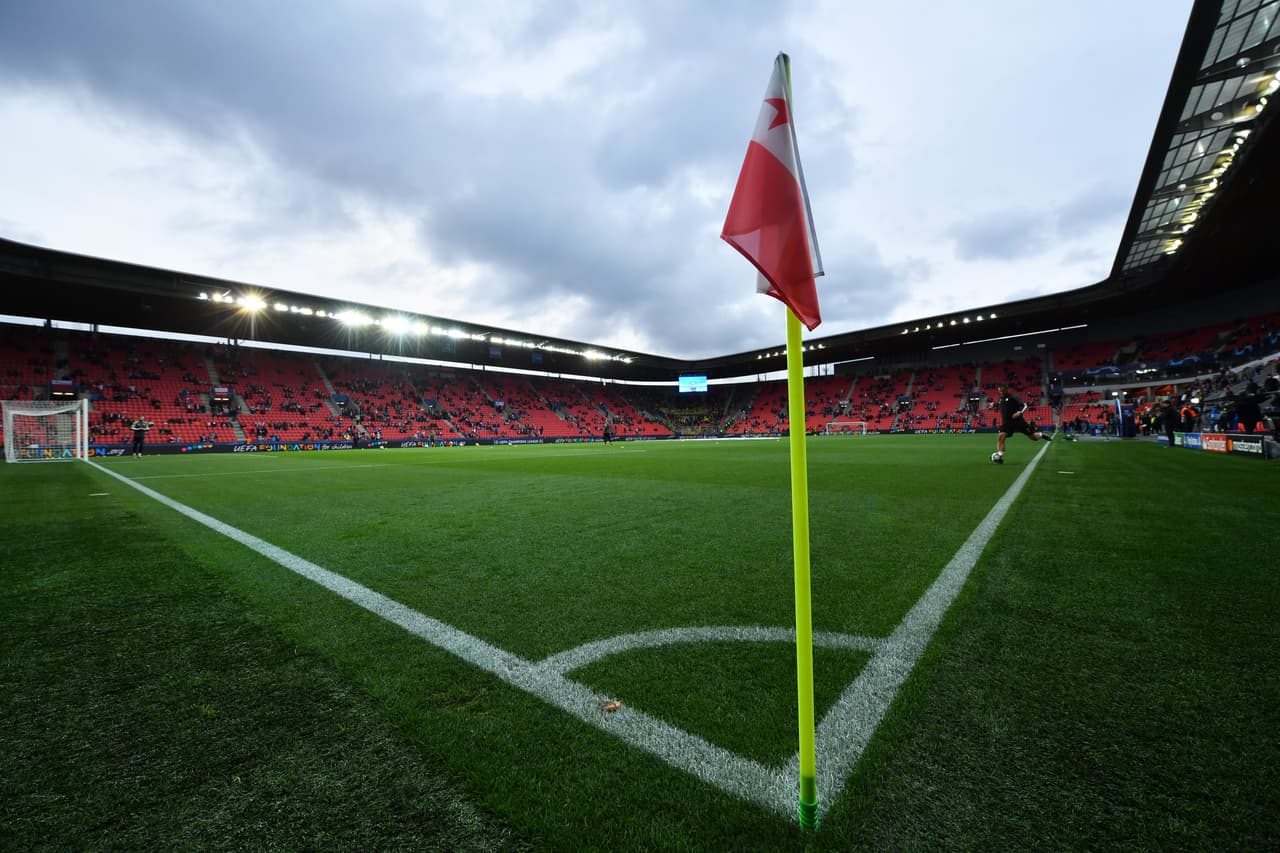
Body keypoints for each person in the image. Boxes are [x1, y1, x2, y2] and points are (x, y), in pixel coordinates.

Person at [991, 384, 1050, 464]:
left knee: (1033, 437)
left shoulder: (1014, 397)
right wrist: (993, 405)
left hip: (1018, 421)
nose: (1001, 392)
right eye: (999, 391)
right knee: (1001, 437)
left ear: (1007, 389)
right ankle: (1000, 456)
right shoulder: (1001, 399)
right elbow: (1003, 406)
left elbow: (1024, 405)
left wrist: (1019, 412)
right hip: (1007, 423)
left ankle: (1041, 435)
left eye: (1002, 391)